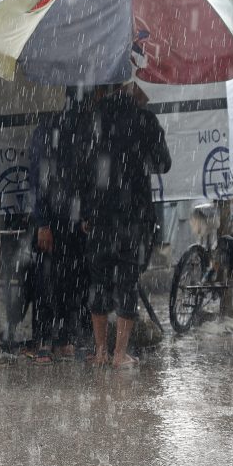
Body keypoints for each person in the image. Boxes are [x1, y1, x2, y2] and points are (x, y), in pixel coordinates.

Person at [83, 83, 171, 369]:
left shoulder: (95, 116)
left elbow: (82, 166)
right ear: (132, 86)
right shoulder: (145, 120)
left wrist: (85, 210)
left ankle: (99, 351)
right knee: (127, 282)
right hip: (134, 215)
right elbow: (163, 164)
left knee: (98, 281)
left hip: (99, 214)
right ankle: (120, 354)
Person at [26, 88, 95, 364]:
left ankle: (63, 338)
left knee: (69, 280)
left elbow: (88, 177)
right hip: (55, 219)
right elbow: (37, 180)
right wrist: (43, 222)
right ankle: (45, 340)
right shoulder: (48, 132)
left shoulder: (82, 132)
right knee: (47, 281)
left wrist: (85, 214)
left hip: (71, 220)